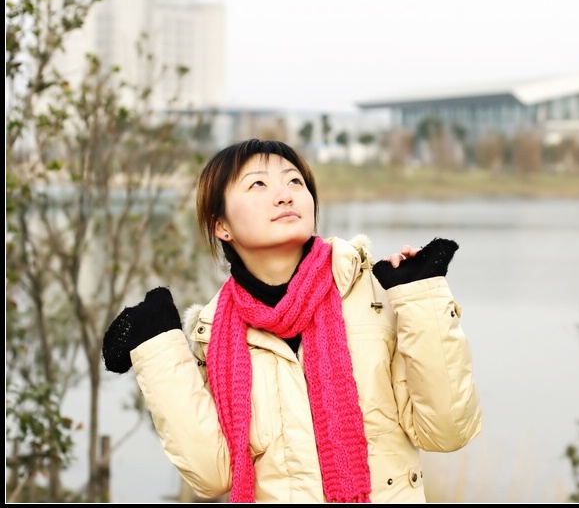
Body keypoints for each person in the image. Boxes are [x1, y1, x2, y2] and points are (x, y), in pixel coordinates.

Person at [101, 138, 482, 503]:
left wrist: (420, 295)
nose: (284, 194)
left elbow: (447, 432)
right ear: (222, 226)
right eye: (258, 185)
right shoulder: (216, 334)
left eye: (295, 181)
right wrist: (159, 348)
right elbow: (213, 474)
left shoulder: (374, 295)